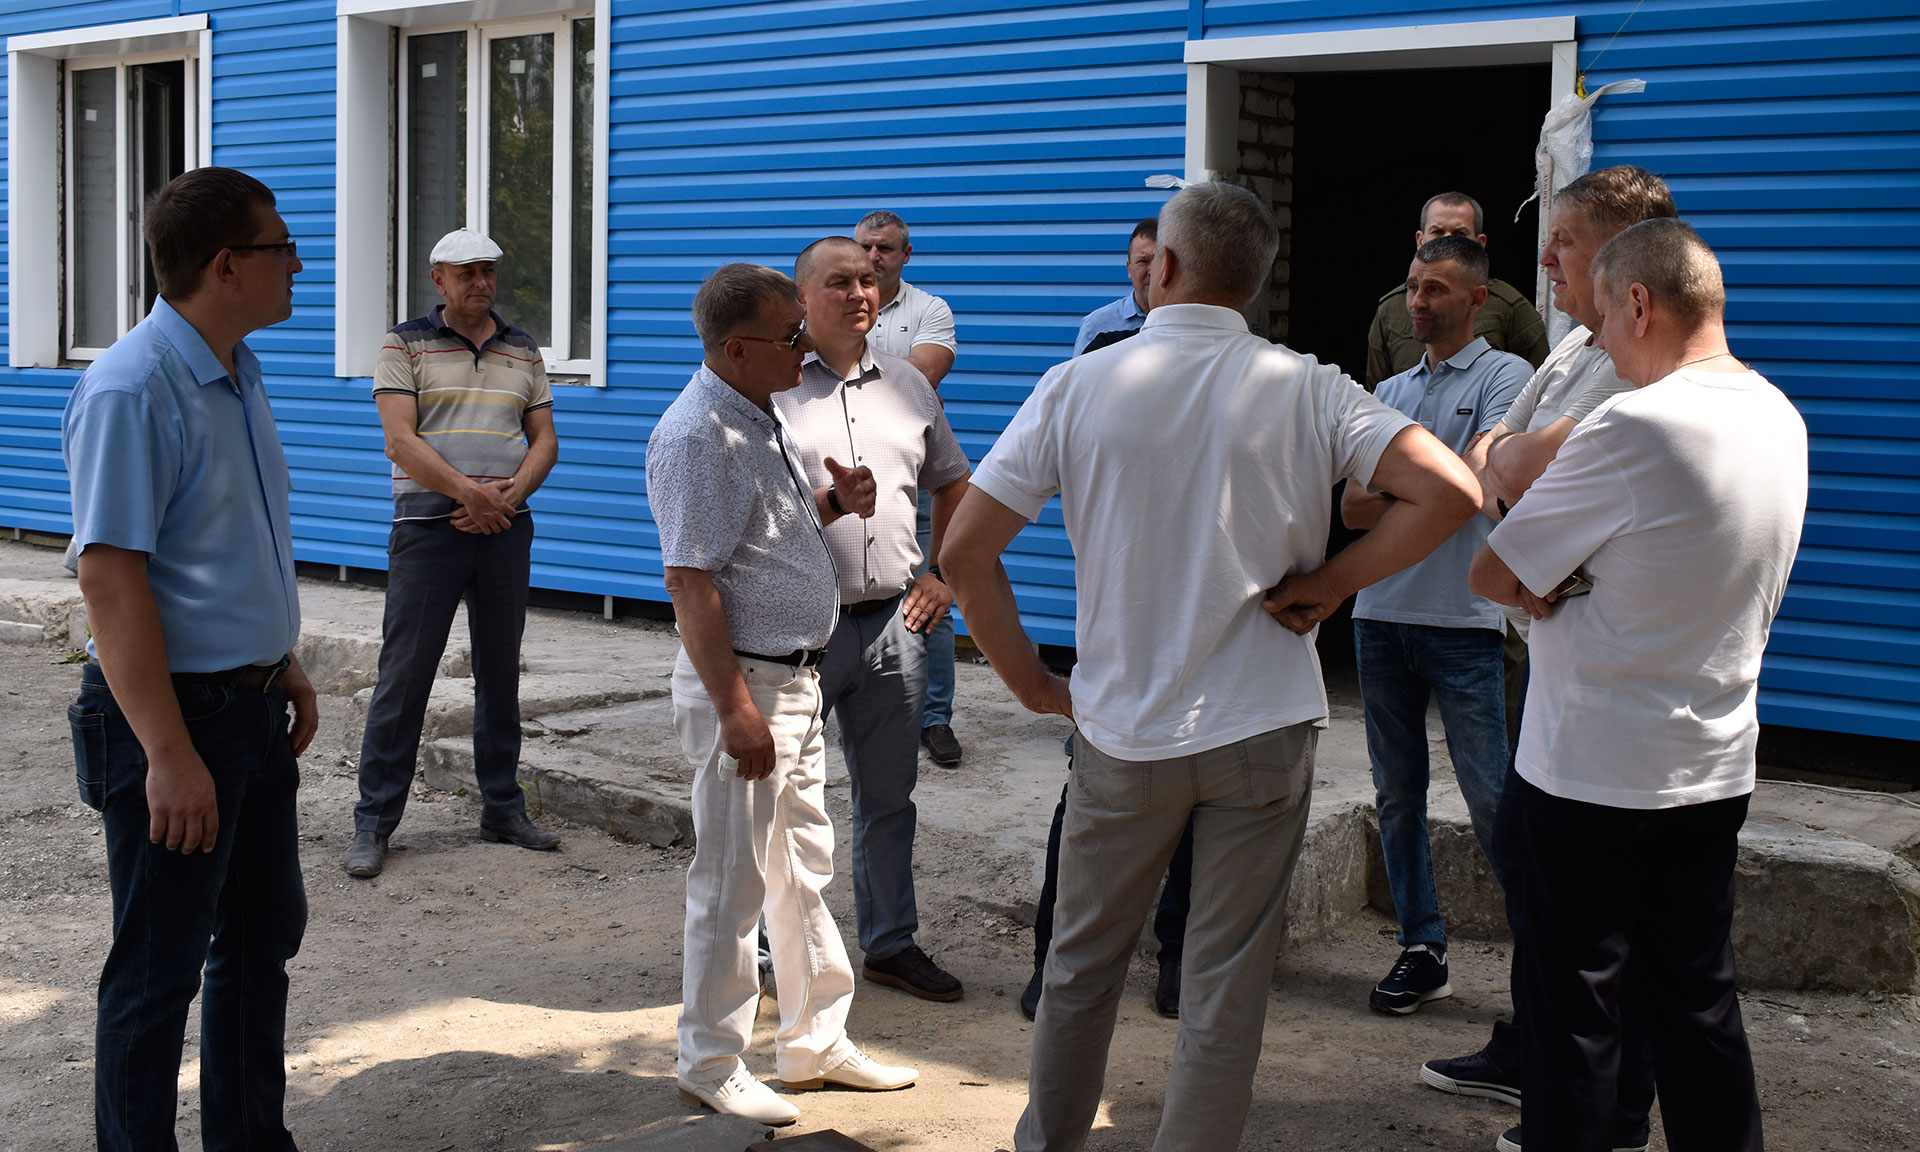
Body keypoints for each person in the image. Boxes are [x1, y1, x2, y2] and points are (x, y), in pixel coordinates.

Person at [942, 181, 1480, 1152]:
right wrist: (1333, 584)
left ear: (1167, 267)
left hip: (1122, 733)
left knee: (1081, 969)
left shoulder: (1080, 385)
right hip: (1263, 728)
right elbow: (1451, 490)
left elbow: (965, 552)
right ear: (1254, 280)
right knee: (1224, 987)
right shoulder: (1308, 385)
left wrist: (1030, 683)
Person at [1468, 218, 1805, 1152]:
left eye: (1605, 321)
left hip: (1591, 770)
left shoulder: (1634, 424)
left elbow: (1494, 573)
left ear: (1641, 305)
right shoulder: (1777, 413)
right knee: (1698, 1005)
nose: (1602, 347)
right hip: (1713, 765)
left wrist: (1558, 575)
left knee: (1575, 1020)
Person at [63, 166, 318, 1151]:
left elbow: (222, 548)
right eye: (281, 247)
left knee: (259, 944)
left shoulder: (236, 368)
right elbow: (111, 580)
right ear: (226, 265)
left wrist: (278, 660)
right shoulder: (134, 388)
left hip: (247, 706)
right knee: (157, 971)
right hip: (173, 720)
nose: (297, 264)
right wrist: (168, 755)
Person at [1422, 166, 1680, 1131]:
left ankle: (1606, 1093)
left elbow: (1525, 471)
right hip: (1546, 643)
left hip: (1596, 660)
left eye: (1563, 240)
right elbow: (1495, 455)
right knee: (1535, 862)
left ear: (1621, 250)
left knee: (1592, 894)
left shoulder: (1633, 363)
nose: (1545, 258)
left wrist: (1510, 469)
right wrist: (1509, 468)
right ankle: (1539, 1044)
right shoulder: (1575, 345)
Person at [648, 263, 914, 1126]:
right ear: (736, 349)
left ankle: (813, 1042)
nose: (805, 347)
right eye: (789, 335)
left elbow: (758, 541)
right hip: (749, 685)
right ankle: (710, 1061)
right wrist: (734, 708)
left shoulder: (757, 413)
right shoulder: (699, 436)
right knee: (733, 884)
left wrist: (834, 502)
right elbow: (691, 581)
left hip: (792, 680)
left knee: (799, 868)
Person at [776, 236, 973, 1002]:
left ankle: (890, 943)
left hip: (893, 625)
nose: (861, 292)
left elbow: (953, 483)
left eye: (868, 280)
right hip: (798, 630)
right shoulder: (774, 387)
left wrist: (943, 574)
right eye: (840, 281)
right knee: (783, 800)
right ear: (802, 298)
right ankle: (769, 950)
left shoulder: (909, 386)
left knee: (889, 799)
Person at [1346, 234, 1531, 1014]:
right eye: (1413, 286)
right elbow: (1352, 507)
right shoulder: (1388, 389)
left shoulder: (1505, 376)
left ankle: (1547, 956)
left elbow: (1482, 489)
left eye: (1436, 289)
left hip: (1463, 620)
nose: (1417, 302)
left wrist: (1415, 487)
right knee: (1397, 795)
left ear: (1476, 298)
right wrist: (1438, 486)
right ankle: (1422, 948)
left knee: (1492, 798)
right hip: (1380, 615)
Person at [343, 228, 562, 878]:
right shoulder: (404, 343)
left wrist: (509, 496)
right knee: (405, 675)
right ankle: (373, 823)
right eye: (466, 273)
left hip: (505, 530)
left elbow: (545, 439)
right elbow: (399, 440)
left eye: (488, 271)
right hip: (427, 531)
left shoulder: (522, 348)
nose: (481, 283)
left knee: (500, 674)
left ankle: (502, 808)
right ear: (438, 278)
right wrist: (471, 494)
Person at [854, 210, 966, 767]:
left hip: (911, 477)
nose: (873, 257)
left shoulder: (929, 310)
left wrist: (852, 379)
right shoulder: (837, 302)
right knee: (842, 594)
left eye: (884, 248)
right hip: (841, 479)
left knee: (928, 596)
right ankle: (850, 705)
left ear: (905, 254)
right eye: (865, 247)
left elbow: (922, 377)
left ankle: (935, 718)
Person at [1364, 192, 1550, 390]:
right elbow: (1377, 389)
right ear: (1420, 240)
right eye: (1437, 232)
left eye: (1459, 234)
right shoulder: (1391, 308)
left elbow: (1540, 386)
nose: (1447, 241)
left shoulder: (1509, 308)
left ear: (1480, 243)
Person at [1073, 218, 1157, 355]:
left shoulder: (1187, 320)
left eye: (1159, 261)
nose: (1152, 271)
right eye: (1143, 261)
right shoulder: (1095, 326)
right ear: (1129, 269)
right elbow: (1079, 370)